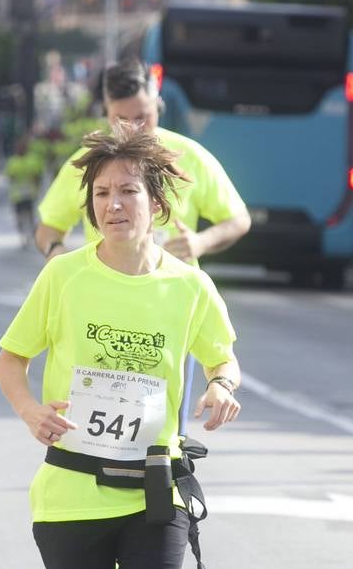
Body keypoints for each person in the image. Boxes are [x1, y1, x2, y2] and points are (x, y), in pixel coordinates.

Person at [0, 129, 242, 569]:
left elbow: (223, 357)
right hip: (72, 488)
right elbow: (11, 360)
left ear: (157, 203)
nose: (113, 204)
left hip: (155, 490)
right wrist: (27, 412)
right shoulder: (64, 277)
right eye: (101, 193)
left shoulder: (188, 286)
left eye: (128, 191)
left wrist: (222, 388)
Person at [35, 59, 249, 428]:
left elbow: (238, 219)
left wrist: (200, 241)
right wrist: (59, 259)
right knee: (90, 432)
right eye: (122, 119)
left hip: (169, 312)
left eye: (143, 117)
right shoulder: (91, 164)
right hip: (98, 311)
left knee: (159, 435)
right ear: (106, 111)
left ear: (158, 104)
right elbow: (49, 228)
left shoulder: (189, 158)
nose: (134, 128)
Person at [5, 136, 44, 249]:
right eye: (18, 147)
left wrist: (37, 187)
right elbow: (10, 177)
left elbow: (38, 175)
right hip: (17, 194)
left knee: (29, 214)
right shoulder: (12, 161)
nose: (20, 149)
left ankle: (32, 232)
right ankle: (23, 234)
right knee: (19, 216)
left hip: (29, 193)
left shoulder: (33, 160)